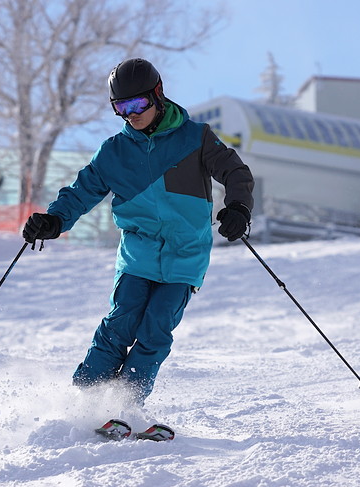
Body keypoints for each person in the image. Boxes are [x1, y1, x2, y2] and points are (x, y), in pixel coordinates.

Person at [22, 58, 254, 405]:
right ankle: (86, 400)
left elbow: (236, 172)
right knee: (122, 323)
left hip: (186, 255)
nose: (131, 114)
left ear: (157, 95)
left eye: (138, 104)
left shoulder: (195, 137)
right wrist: (54, 220)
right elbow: (80, 193)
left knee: (156, 330)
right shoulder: (114, 153)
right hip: (138, 254)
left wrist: (238, 207)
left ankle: (126, 405)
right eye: (121, 106)